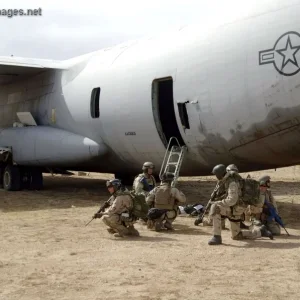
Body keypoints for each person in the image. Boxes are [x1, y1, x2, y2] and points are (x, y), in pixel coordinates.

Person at [208, 164, 273, 245]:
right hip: (236, 208)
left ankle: (217, 237)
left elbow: (232, 200)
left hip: (236, 208)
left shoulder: (232, 182)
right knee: (236, 236)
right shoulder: (225, 180)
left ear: (220, 174)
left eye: (216, 175)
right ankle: (260, 231)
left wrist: (219, 202)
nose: (216, 176)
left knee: (215, 207)